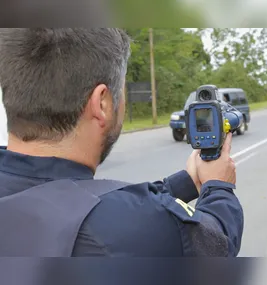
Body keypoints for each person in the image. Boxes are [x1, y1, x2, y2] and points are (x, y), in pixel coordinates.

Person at [0, 28, 243, 257]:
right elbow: (217, 243)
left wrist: (186, 182)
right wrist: (218, 185)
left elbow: (101, 201)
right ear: (102, 104)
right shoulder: (132, 226)